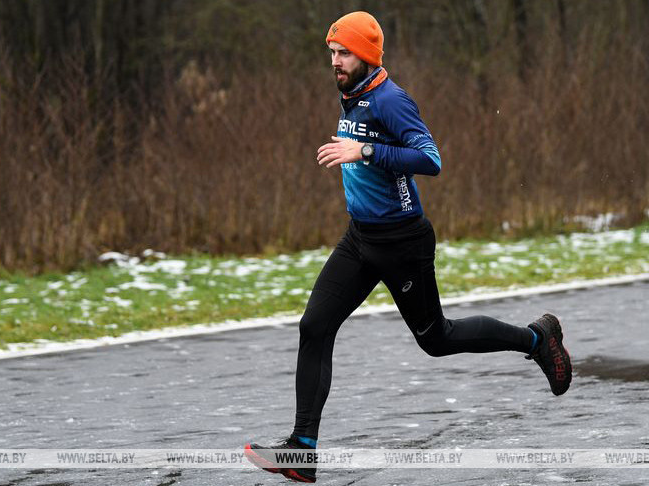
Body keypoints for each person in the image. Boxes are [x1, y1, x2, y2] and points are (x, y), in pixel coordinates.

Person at [243, 11, 572, 483]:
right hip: (360, 239)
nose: (335, 61)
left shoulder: (391, 101)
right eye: (332, 53)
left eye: (344, 53)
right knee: (314, 326)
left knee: (436, 338)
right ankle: (302, 451)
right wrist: (359, 149)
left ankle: (538, 339)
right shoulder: (352, 94)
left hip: (402, 242)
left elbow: (430, 159)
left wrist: (365, 151)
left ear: (367, 56)